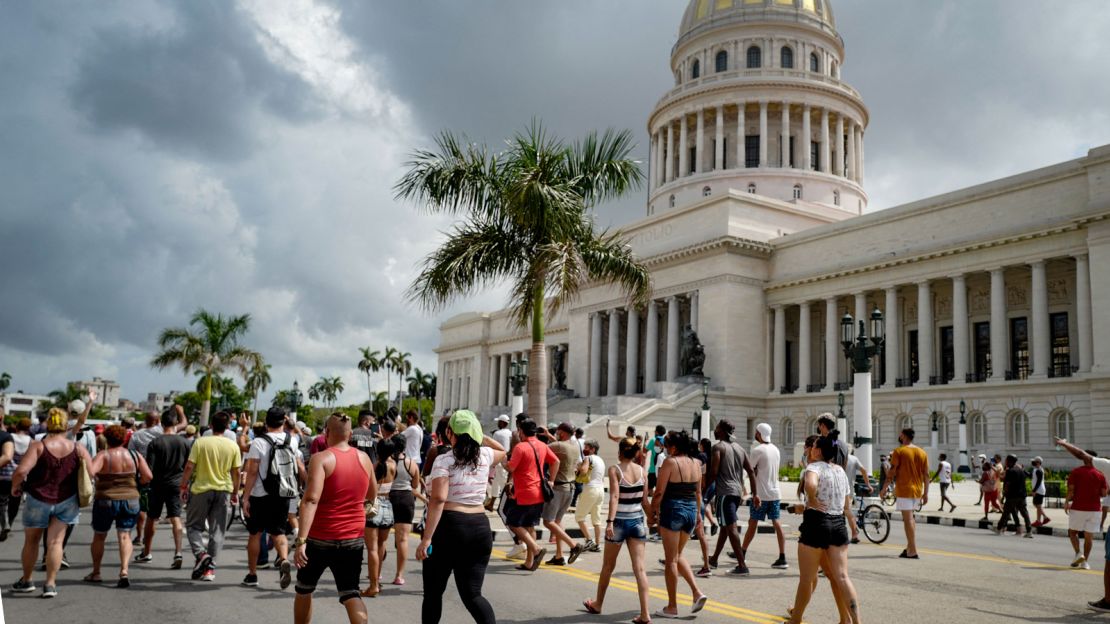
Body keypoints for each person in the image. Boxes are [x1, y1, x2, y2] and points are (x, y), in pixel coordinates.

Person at [416, 410, 506, 624]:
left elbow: (438, 499)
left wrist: (427, 538)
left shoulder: (444, 460)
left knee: (433, 593)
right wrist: (478, 435)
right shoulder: (484, 455)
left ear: (449, 432)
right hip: (479, 527)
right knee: (473, 594)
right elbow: (503, 450)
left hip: (450, 526)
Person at [293, 413, 376, 624]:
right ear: (350, 434)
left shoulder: (321, 459)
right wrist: (364, 507)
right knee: (350, 593)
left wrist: (301, 540)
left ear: (327, 433)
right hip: (353, 537)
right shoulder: (364, 459)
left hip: (320, 537)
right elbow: (372, 493)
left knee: (304, 589)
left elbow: (311, 500)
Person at [10, 407, 93, 598]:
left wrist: (15, 486)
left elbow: (22, 471)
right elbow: (92, 472)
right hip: (67, 500)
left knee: (32, 541)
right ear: (65, 425)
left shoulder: (39, 446)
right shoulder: (77, 448)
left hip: (38, 498)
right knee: (56, 542)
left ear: (49, 423)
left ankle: (27, 580)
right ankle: (50, 584)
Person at [784, 432, 861, 624]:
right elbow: (846, 504)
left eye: (813, 446)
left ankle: (796, 620)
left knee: (807, 579)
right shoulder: (840, 471)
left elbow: (810, 484)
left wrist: (812, 499)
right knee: (842, 576)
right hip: (838, 525)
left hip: (817, 525)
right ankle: (856, 621)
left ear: (817, 450)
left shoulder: (814, 467)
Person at [583, 436, 652, 624]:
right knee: (640, 569)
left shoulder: (615, 470)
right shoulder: (642, 472)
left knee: (607, 567)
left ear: (620, 452)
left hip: (620, 522)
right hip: (638, 522)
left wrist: (610, 522)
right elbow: (645, 501)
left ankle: (597, 604)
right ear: (636, 453)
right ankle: (645, 614)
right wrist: (653, 518)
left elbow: (614, 496)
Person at [243, 406, 307, 589]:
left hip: (260, 495)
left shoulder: (258, 442)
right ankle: (284, 559)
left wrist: (245, 497)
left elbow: (253, 471)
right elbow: (298, 466)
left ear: (266, 421)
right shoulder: (292, 441)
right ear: (283, 421)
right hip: (283, 494)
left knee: (255, 534)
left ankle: (252, 574)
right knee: (279, 532)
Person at [650, 430, 709, 619]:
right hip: (691, 510)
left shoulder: (670, 462)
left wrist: (652, 512)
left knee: (670, 561)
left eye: (666, 446)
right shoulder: (696, 463)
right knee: (677, 555)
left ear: (674, 447)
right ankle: (696, 593)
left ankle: (672, 606)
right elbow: (698, 492)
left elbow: (659, 492)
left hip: (673, 510)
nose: (665, 450)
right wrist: (699, 516)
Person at [86, 425, 153, 587]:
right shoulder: (135, 455)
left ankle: (96, 572)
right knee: (125, 536)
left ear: (107, 439)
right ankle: (124, 571)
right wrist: (137, 483)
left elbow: (90, 472)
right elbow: (148, 476)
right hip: (130, 499)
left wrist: (100, 480)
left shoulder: (103, 455)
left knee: (99, 536)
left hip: (105, 500)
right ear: (124, 439)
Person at [180, 410, 242, 582]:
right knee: (217, 530)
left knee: (193, 526)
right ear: (228, 427)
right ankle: (210, 569)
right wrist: (236, 492)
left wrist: (183, 486)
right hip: (223, 490)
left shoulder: (200, 443)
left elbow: (189, 467)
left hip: (201, 489)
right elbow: (236, 472)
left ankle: (201, 554)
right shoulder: (232, 446)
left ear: (211, 425)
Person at [137, 408, 192, 568]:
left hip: (157, 484)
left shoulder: (155, 443)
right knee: (175, 517)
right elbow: (189, 465)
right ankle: (178, 552)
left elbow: (149, 468)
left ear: (161, 423)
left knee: (152, 517)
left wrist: (143, 484)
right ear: (175, 423)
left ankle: (147, 552)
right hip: (177, 484)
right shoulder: (185, 442)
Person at [706, 420, 757, 575]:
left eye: (716, 428)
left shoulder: (718, 447)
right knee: (725, 526)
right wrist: (755, 494)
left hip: (725, 493)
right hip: (737, 493)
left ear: (721, 431)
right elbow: (751, 471)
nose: (714, 431)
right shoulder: (740, 448)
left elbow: (714, 472)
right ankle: (714, 559)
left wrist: (703, 488)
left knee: (731, 527)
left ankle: (742, 565)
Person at [503, 418, 553, 571]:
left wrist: (503, 461)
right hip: (539, 491)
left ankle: (536, 549)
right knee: (529, 525)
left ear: (521, 431)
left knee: (513, 522)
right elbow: (556, 461)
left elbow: (511, 468)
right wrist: (551, 481)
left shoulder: (521, 447)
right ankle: (529, 562)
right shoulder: (543, 445)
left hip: (525, 491)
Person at [1056, 438, 1109, 570]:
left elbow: (1071, 490)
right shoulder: (1100, 475)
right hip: (1095, 509)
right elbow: (1104, 493)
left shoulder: (1076, 472)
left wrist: (1067, 502)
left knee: (1073, 532)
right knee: (1088, 537)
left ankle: (1078, 553)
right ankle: (1085, 562)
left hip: (1078, 507)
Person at [743, 422, 788, 570]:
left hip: (761, 494)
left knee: (753, 522)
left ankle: (741, 552)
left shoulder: (758, 450)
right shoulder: (776, 449)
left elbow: (750, 470)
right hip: (775, 493)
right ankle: (782, 556)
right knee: (776, 522)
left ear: (759, 434)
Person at [542, 422, 585, 566]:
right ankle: (559, 556)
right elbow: (560, 446)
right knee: (557, 522)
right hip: (569, 489)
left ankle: (573, 545)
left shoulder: (558, 446)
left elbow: (540, 449)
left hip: (558, 489)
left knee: (548, 521)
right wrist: (548, 435)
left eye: (558, 432)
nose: (556, 434)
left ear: (563, 433)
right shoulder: (573, 448)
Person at [881, 427, 929, 559]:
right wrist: (926, 493)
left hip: (904, 489)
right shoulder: (922, 452)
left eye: (900, 434)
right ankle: (909, 547)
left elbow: (892, 471)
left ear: (903, 436)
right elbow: (926, 475)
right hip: (917, 490)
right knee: (911, 519)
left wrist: (884, 488)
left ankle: (912, 550)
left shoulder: (899, 451)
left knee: (907, 520)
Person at [387, 434, 424, 585]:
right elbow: (415, 485)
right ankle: (399, 575)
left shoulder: (386, 462)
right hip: (406, 499)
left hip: (388, 498)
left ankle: (376, 573)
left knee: (381, 537)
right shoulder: (411, 463)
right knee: (402, 539)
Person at [361, 437, 396, 597]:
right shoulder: (394, 465)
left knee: (372, 548)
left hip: (374, 505)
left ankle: (373, 585)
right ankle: (377, 581)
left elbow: (368, 488)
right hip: (388, 506)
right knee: (381, 545)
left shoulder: (375, 466)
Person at [0, 418, 32, 541]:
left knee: (2, 501)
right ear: (29, 428)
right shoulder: (31, 441)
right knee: (15, 503)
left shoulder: (9, 437)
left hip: (5, 474)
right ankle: (10, 523)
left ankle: (5, 523)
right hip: (20, 477)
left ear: (17, 426)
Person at [575, 439, 605, 553]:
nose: (584, 449)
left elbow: (583, 471)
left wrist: (578, 467)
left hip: (590, 489)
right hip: (600, 490)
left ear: (593, 449)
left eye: (587, 447)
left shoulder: (588, 458)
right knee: (596, 520)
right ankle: (597, 544)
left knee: (579, 517)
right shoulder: (601, 460)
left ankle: (589, 540)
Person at [992, 454, 1033, 538]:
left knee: (1005, 513)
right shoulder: (1021, 470)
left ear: (1010, 461)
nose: (1005, 462)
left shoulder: (1010, 471)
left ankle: (999, 529)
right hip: (1022, 496)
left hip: (1012, 496)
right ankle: (1029, 531)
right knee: (1025, 513)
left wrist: (1004, 495)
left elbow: (1007, 483)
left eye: (1006, 460)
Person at [0, 415, 17, 540]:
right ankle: (6, 522)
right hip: (6, 476)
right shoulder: (6, 437)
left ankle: (5, 522)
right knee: (3, 501)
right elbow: (7, 456)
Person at [1031, 456, 1050, 527]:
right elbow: (1031, 476)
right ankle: (1045, 518)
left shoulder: (1039, 470)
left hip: (1039, 490)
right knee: (1036, 504)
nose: (1032, 463)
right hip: (1039, 490)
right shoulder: (1036, 469)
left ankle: (1039, 521)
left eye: (1034, 461)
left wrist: (1034, 490)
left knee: (1038, 505)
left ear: (1038, 462)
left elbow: (1039, 481)